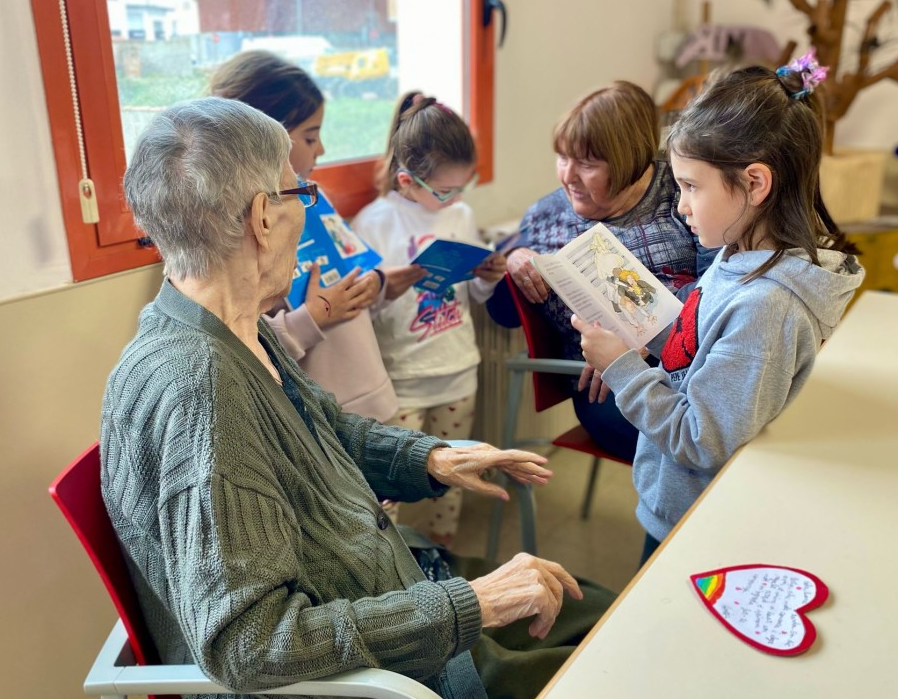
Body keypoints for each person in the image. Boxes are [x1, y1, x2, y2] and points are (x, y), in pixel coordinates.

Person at [102, 97, 608, 699]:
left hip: (388, 594)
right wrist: (472, 604)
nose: (307, 209)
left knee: (597, 610)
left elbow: (326, 433)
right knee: (603, 681)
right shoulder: (200, 393)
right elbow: (255, 645)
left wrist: (431, 457)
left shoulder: (233, 324)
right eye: (300, 193)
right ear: (263, 217)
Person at [570, 58, 865, 566]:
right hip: (681, 504)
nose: (681, 205)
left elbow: (699, 439)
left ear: (755, 184)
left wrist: (621, 368)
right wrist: (643, 335)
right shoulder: (736, 255)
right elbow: (697, 346)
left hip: (700, 520)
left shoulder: (767, 306)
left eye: (691, 186)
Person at [501, 82, 717, 461]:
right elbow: (501, 315)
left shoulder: (681, 193)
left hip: (698, 364)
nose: (568, 177)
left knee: (727, 424)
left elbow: (718, 289)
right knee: (704, 445)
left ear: (629, 160)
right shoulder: (545, 216)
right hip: (604, 388)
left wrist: (645, 338)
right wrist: (515, 258)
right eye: (562, 158)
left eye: (587, 164)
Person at [209, 50, 426, 422]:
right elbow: (238, 352)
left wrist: (376, 284)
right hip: (319, 422)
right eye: (310, 137)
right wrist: (312, 318)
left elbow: (346, 280)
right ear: (261, 140)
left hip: (373, 398)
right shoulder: (228, 237)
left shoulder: (311, 198)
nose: (321, 150)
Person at [352, 92, 507, 547]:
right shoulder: (373, 223)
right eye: (445, 191)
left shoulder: (460, 215)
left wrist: (488, 279)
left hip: (458, 370)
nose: (456, 198)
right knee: (388, 488)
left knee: (454, 475)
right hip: (402, 377)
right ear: (406, 180)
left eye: (463, 186)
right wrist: (386, 289)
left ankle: (443, 547)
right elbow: (359, 312)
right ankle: (392, 566)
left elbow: (472, 293)